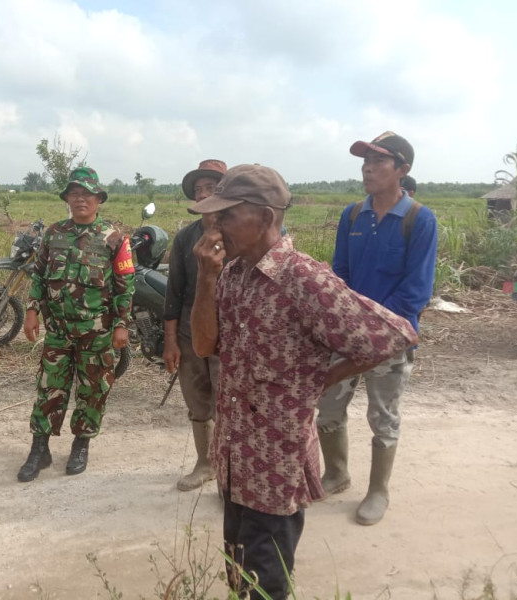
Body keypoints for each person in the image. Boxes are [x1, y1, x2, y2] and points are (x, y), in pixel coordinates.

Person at [188, 164, 418, 599]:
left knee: (266, 586)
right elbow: (203, 346)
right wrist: (206, 276)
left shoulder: (303, 278)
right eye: (213, 217)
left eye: (227, 216)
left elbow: (393, 335)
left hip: (275, 467)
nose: (216, 228)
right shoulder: (233, 274)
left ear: (267, 217)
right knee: (239, 578)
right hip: (235, 461)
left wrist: (318, 380)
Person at [316, 132, 437, 526]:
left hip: (392, 338)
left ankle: (378, 491)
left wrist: (377, 331)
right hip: (347, 335)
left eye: (378, 161)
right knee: (328, 406)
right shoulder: (353, 215)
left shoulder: (419, 219)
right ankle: (336, 474)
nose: (367, 167)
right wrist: (342, 323)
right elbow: (341, 274)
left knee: (383, 415)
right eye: (364, 160)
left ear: (402, 169)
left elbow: (416, 291)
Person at [17, 167, 135, 482]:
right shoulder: (54, 233)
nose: (80, 199)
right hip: (58, 331)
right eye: (74, 193)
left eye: (87, 194)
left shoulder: (114, 238)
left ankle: (81, 444)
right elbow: (39, 275)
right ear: (67, 198)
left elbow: (126, 285)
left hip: (98, 334)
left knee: (93, 390)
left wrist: (122, 324)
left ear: (98, 199)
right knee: (48, 388)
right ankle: (39, 448)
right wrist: (31, 310)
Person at [163, 159, 227, 491]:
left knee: (230, 404)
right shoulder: (186, 238)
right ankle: (205, 464)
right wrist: (170, 340)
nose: (203, 194)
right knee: (197, 401)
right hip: (190, 334)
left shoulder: (240, 234)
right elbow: (173, 293)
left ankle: (232, 472)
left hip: (231, 337)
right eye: (199, 189)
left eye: (211, 188)